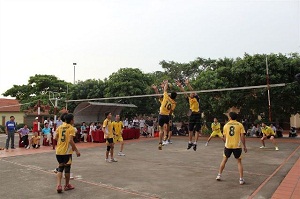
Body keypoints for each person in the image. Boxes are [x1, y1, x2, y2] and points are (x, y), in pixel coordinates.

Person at [216, 112, 247, 185]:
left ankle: (219, 175)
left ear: (230, 117)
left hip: (228, 145)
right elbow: (242, 136)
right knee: (239, 162)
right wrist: (244, 146)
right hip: (237, 146)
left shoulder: (226, 125)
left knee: (224, 160)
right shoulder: (240, 125)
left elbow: (225, 138)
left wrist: (222, 139)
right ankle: (241, 179)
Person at [55, 113, 80, 193]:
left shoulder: (59, 127)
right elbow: (70, 140)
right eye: (73, 119)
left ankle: (59, 185)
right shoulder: (71, 128)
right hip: (66, 152)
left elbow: (55, 137)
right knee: (67, 169)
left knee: (60, 167)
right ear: (71, 120)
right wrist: (76, 150)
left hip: (58, 151)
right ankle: (66, 185)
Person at [177, 79, 201, 151]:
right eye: (190, 93)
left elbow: (192, 90)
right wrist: (180, 86)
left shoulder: (197, 98)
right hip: (192, 115)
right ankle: (190, 142)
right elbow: (184, 92)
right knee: (190, 130)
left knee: (197, 130)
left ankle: (195, 143)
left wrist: (188, 84)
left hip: (198, 115)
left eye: (192, 93)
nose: (191, 94)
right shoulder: (189, 99)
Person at [157, 80, 177, 150]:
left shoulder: (166, 97)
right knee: (168, 125)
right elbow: (171, 111)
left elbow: (165, 89)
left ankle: (160, 142)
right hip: (166, 115)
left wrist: (166, 83)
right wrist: (169, 114)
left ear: (170, 95)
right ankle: (166, 136)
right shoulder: (174, 103)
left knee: (161, 130)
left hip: (161, 115)